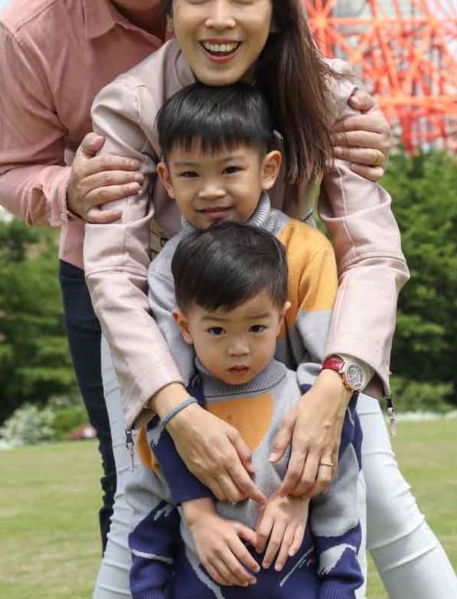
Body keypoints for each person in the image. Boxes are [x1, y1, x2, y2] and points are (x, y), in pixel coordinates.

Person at [0, 0, 391, 556]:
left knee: (344, 477)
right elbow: (13, 172)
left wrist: (360, 125)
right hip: (123, 275)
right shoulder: (31, 32)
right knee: (138, 489)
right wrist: (63, 192)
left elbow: (316, 89)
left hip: (270, 273)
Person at [86, 0, 457, 597]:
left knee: (373, 488)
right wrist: (177, 409)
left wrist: (335, 384)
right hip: (165, 329)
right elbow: (114, 278)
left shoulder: (326, 95)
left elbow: (374, 253)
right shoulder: (131, 107)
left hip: (297, 313)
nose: (219, 20)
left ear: (277, 5)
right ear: (168, 7)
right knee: (142, 500)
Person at [128, 221, 364, 598]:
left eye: (255, 327)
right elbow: (148, 518)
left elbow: (341, 511)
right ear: (185, 327)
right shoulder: (173, 423)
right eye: (218, 331)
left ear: (280, 319)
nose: (238, 348)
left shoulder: (313, 408)